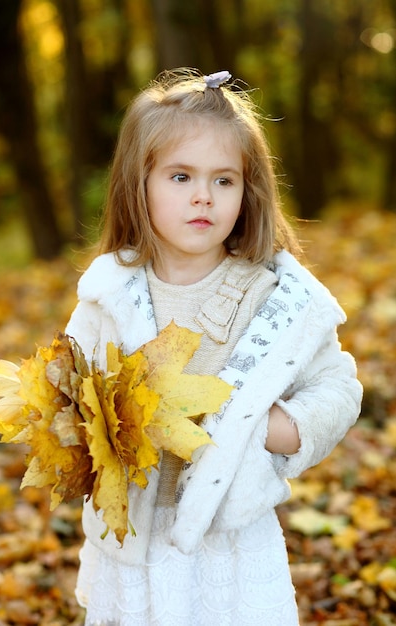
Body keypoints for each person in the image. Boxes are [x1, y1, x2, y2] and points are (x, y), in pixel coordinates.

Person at [65, 68, 362, 626]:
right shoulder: (111, 293)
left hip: (231, 540)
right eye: (180, 177)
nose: (203, 196)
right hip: (135, 534)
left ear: (247, 191)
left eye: (224, 181)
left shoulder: (273, 297)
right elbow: (71, 388)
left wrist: (276, 425)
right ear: (139, 181)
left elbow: (337, 387)